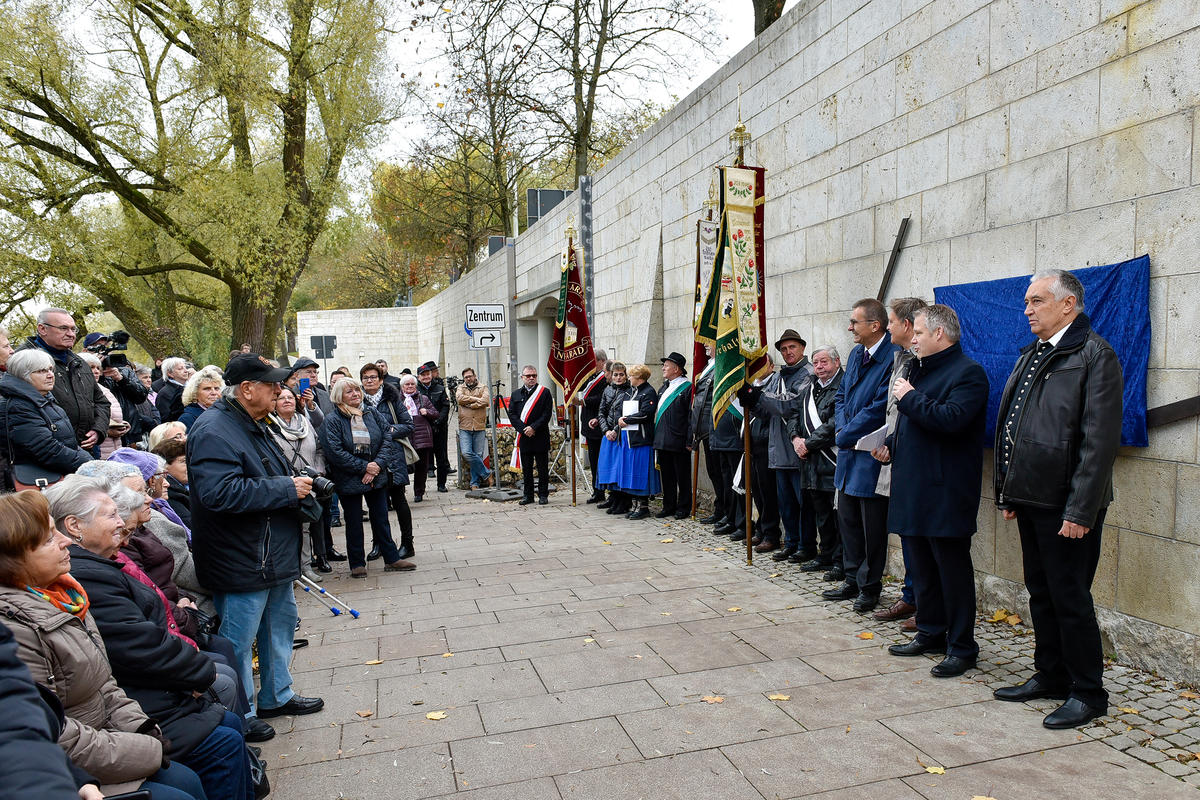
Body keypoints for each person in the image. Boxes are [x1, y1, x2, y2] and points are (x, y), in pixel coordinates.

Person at [41, 477, 255, 799]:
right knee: (220, 732)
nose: (121, 521)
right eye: (111, 515)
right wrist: (196, 672)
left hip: (131, 704)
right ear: (74, 526)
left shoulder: (99, 566)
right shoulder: (87, 578)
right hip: (120, 715)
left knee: (225, 720)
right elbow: (137, 647)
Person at [0, 489, 209, 800]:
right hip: (82, 760)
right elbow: (51, 729)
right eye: (47, 539)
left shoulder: (67, 596)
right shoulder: (17, 625)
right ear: (12, 560)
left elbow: (106, 685)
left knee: (191, 775)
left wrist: (145, 732)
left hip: (110, 735)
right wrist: (144, 748)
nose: (65, 541)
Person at [992, 269, 1122, 729]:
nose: (1027, 310)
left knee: (1070, 597)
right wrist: (1010, 490)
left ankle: (1088, 692)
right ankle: (1050, 674)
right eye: (1027, 302)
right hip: (1032, 498)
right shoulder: (1034, 353)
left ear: (1068, 304)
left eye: (1037, 301)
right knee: (1041, 593)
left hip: (1068, 505)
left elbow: (1099, 442)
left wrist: (1081, 509)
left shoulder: (1094, 354)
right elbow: (1016, 424)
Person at [187, 352, 325, 722]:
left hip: (270, 553)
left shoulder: (252, 421)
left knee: (278, 629)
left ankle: (277, 696)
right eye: (273, 385)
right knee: (239, 640)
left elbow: (263, 474)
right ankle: (243, 714)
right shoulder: (213, 430)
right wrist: (286, 489)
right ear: (247, 389)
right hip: (242, 557)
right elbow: (219, 494)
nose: (281, 390)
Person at [879, 305, 988, 679]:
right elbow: (918, 426)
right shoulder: (917, 372)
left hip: (945, 491)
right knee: (921, 570)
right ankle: (930, 631)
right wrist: (890, 443)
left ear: (940, 334)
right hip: (913, 488)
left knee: (951, 573)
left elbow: (952, 420)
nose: (913, 339)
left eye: (920, 333)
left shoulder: (969, 373)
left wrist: (909, 397)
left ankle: (961, 647)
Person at [825, 298, 899, 614]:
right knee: (849, 520)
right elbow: (842, 396)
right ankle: (852, 578)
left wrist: (846, 433)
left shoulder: (892, 357)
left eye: (855, 322)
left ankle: (870, 587)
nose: (850, 327)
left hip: (871, 453)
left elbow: (878, 407)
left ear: (875, 325)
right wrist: (843, 430)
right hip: (848, 451)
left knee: (872, 527)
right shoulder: (856, 354)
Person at [0, 617, 105, 800]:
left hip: (73, 763)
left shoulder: (71, 599)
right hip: (86, 748)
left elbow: (106, 682)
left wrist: (80, 781)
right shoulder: (15, 621)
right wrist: (149, 749)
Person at [871, 297, 927, 631]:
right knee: (907, 532)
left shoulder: (922, 363)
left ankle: (924, 601)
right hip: (896, 451)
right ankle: (911, 594)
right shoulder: (903, 359)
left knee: (919, 534)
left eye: (892, 321)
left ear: (907, 325)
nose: (888, 326)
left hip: (917, 462)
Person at [321, 376, 415, 577]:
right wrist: (365, 468)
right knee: (354, 522)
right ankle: (357, 563)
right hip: (350, 477)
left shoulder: (371, 413)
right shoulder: (333, 419)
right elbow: (335, 452)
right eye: (349, 391)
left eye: (357, 390)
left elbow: (387, 439)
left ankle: (391, 558)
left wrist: (377, 465)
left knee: (381, 518)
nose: (355, 394)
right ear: (339, 396)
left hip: (376, 475)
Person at [740, 330, 815, 558]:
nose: (787, 352)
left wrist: (758, 396)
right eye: (783, 349)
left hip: (797, 448)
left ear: (802, 348)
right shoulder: (780, 377)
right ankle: (791, 543)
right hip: (778, 450)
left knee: (803, 505)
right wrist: (751, 402)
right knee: (786, 504)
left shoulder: (808, 374)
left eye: (792, 347)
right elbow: (765, 411)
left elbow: (790, 404)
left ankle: (805, 546)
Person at [16, 309, 110, 452]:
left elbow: (101, 401)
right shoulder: (22, 361)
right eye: (63, 328)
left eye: (73, 329)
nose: (71, 334)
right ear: (42, 329)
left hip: (86, 449)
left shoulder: (80, 363)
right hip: (47, 452)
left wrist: (98, 430)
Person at [786, 345, 843, 576]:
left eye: (824, 362)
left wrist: (807, 444)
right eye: (816, 362)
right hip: (810, 463)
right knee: (821, 515)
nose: (819, 367)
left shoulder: (843, 386)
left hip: (831, 461)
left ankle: (840, 560)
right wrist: (795, 438)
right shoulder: (809, 386)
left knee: (838, 517)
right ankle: (825, 555)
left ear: (836, 362)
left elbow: (835, 423)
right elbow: (794, 415)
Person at [0, 349, 92, 480]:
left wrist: (88, 460)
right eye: (41, 371)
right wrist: (88, 464)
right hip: (38, 483)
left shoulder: (43, 398)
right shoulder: (18, 406)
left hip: (59, 474)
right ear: (23, 375)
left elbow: (67, 443)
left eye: (50, 369)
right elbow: (46, 450)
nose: (50, 375)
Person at [269, 384, 330, 579]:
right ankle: (290, 569)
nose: (287, 400)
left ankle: (305, 567)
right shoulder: (270, 426)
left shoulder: (304, 421)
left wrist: (318, 471)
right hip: (285, 483)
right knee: (288, 528)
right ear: (274, 403)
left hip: (309, 482)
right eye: (281, 398)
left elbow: (319, 447)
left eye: (290, 397)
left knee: (306, 526)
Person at [359, 363, 416, 560]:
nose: (369, 381)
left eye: (373, 377)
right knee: (377, 503)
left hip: (393, 457)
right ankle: (380, 544)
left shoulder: (392, 399)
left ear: (381, 379)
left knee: (399, 500)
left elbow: (408, 425)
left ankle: (407, 544)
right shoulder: (358, 401)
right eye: (365, 377)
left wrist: (387, 432)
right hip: (372, 459)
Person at [616, 364, 660, 519]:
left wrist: (627, 419)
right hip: (628, 438)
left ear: (639, 377)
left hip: (641, 439)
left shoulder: (649, 392)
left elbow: (646, 414)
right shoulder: (630, 392)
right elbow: (620, 410)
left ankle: (643, 506)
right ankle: (634, 504)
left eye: (630, 376)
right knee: (631, 472)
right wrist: (620, 419)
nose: (628, 378)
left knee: (640, 473)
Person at [688, 348, 725, 527]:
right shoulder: (707, 366)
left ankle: (725, 511)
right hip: (703, 427)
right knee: (714, 472)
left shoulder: (722, 365)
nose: (705, 346)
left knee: (721, 472)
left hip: (715, 427)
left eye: (710, 343)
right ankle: (721, 509)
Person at [653, 353, 691, 519]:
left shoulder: (688, 388)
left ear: (677, 369)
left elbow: (691, 416)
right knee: (667, 476)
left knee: (682, 476)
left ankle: (683, 507)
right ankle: (668, 505)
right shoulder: (664, 388)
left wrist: (690, 439)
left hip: (679, 439)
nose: (663, 368)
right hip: (662, 438)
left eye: (666, 365)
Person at [508, 365, 553, 505]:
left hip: (540, 435)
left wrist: (533, 427)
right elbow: (512, 415)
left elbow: (547, 414)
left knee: (542, 468)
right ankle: (528, 496)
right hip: (524, 437)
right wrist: (523, 429)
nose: (531, 378)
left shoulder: (544, 392)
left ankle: (543, 495)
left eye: (534, 375)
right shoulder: (516, 394)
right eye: (528, 376)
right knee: (526, 469)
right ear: (522, 377)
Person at [597, 362, 633, 515]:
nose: (618, 377)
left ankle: (624, 502)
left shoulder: (631, 391)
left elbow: (629, 415)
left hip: (621, 436)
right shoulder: (607, 390)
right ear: (611, 375)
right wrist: (606, 430)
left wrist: (615, 431)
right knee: (610, 470)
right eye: (615, 374)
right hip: (609, 436)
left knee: (620, 469)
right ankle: (614, 499)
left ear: (626, 376)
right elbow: (601, 412)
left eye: (621, 374)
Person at [78, 353, 129, 458]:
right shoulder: (80, 391)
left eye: (98, 368)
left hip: (115, 447)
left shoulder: (103, 389)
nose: (96, 371)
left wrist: (122, 424)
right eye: (91, 367)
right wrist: (105, 431)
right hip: (99, 447)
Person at [399, 373, 439, 501]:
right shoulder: (397, 400)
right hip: (404, 438)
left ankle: (419, 492)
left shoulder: (423, 399)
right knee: (402, 466)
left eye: (412, 384)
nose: (410, 386)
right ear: (402, 386)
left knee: (422, 467)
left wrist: (427, 412)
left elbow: (435, 414)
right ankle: (400, 491)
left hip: (422, 438)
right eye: (407, 384)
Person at [578, 357, 609, 503]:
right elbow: (579, 387)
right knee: (593, 460)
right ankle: (597, 491)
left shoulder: (604, 379)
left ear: (601, 361)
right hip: (588, 424)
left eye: (593, 361)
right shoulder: (591, 376)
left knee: (600, 461)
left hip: (598, 425)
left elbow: (601, 398)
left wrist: (583, 401)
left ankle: (602, 490)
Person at [456, 367, 492, 490]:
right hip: (464, 426)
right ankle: (487, 474)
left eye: (470, 376)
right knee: (466, 453)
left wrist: (472, 405)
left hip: (479, 425)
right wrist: (476, 399)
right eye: (466, 377)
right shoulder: (461, 388)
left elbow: (486, 401)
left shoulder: (483, 387)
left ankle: (474, 483)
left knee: (478, 454)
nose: (468, 379)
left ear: (475, 376)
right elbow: (460, 399)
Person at [418, 363, 452, 492]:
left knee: (441, 457)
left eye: (428, 374)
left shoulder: (439, 388)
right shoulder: (415, 390)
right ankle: (420, 488)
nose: (426, 377)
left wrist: (438, 420)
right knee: (422, 460)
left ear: (431, 374)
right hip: (423, 429)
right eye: (423, 375)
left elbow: (445, 406)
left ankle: (441, 484)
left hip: (439, 428)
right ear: (418, 377)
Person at [152, 436, 193, 528]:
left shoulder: (185, 487)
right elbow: (190, 524)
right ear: (164, 466)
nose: (189, 465)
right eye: (183, 461)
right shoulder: (167, 493)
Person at [177, 365, 225, 430]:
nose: (214, 393)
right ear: (195, 393)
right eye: (207, 389)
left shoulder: (225, 412)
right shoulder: (187, 419)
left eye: (216, 388)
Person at [154, 357, 193, 423]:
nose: (186, 371)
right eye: (180, 369)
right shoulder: (164, 393)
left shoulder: (192, 387)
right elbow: (166, 419)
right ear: (170, 373)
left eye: (185, 367)